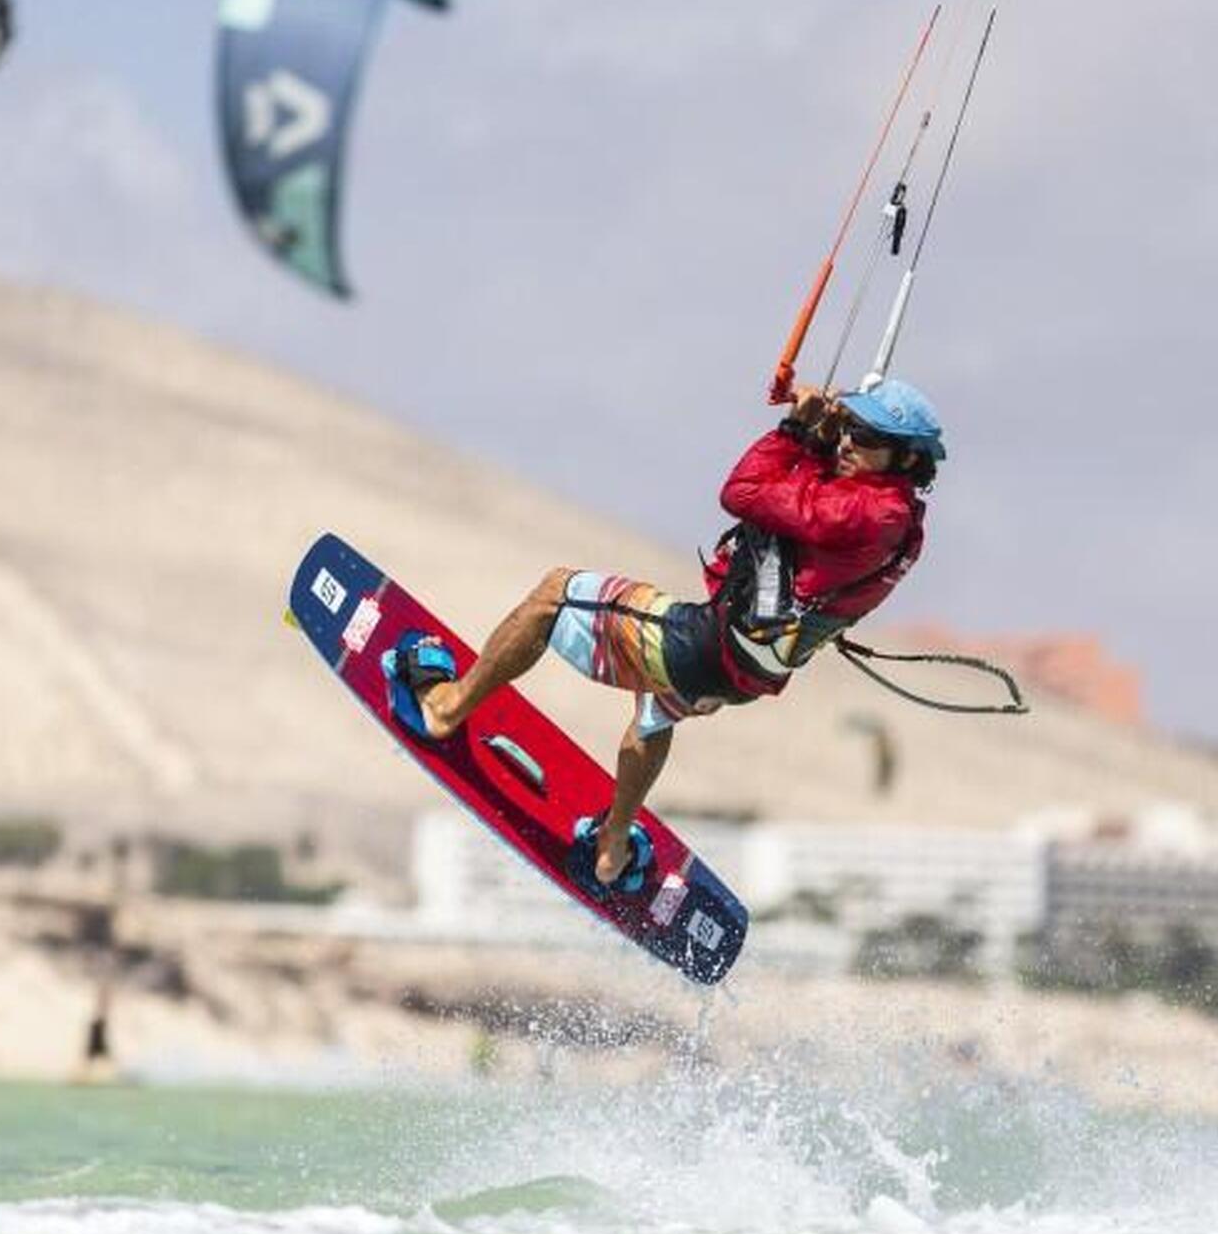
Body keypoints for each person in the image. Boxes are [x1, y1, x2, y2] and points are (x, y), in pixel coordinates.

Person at [384, 378, 945, 893]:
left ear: (908, 457)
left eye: (867, 435)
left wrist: (797, 432)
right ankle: (611, 847)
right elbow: (813, 526)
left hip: (704, 645)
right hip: (747, 672)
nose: (849, 440)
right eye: (851, 426)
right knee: (656, 709)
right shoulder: (901, 522)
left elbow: (745, 491)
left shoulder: (866, 513)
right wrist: (825, 441)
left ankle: (446, 709)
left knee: (555, 593)